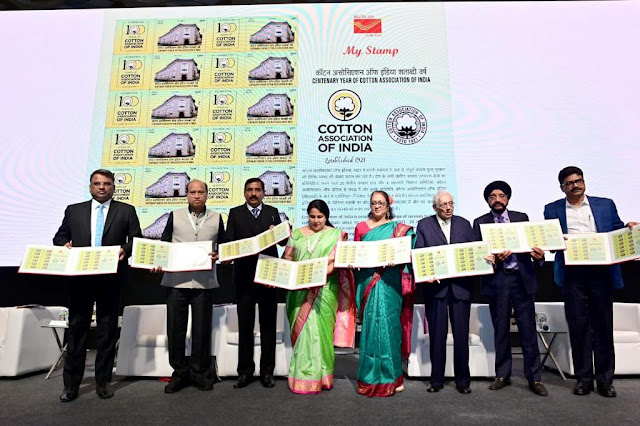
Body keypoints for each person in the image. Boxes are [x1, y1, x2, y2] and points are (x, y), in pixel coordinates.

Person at [544, 166, 638, 397]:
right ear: (562, 187)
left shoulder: (605, 204)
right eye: (569, 183)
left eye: (578, 181)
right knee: (579, 328)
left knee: (603, 328)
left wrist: (628, 229)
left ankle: (605, 381)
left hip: (601, 273)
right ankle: (584, 379)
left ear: (584, 182)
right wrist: (553, 243)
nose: (575, 185)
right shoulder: (552, 209)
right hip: (572, 275)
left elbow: (616, 229)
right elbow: (551, 241)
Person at [53, 169, 141, 402]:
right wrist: (65, 245)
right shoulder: (74, 210)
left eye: (107, 183)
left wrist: (125, 250)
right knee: (77, 330)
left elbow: (136, 239)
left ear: (113, 187)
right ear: (90, 186)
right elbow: (59, 237)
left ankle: (103, 382)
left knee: (107, 331)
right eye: (97, 183)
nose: (102, 187)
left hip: (111, 278)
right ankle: (71, 385)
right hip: (80, 278)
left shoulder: (127, 210)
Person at [472, 181, 548, 396]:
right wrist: (493, 259)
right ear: (487, 200)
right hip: (498, 280)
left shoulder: (521, 218)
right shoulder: (480, 222)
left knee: (528, 330)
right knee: (501, 330)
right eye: (493, 196)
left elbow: (533, 246)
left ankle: (534, 378)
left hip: (522, 279)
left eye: (502, 196)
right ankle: (502, 375)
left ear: (507, 198)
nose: (497, 200)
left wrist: (539, 256)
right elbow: (477, 254)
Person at [152, 180, 226, 393]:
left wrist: (219, 253)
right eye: (192, 192)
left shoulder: (217, 217)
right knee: (176, 329)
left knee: (202, 330)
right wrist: (158, 261)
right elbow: (165, 242)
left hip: (204, 282)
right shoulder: (174, 215)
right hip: (176, 281)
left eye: (200, 192)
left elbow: (223, 244)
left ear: (207, 194)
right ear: (186, 194)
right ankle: (179, 373)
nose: (197, 195)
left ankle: (200, 373)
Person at [283, 200, 356, 394]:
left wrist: (317, 276)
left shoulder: (336, 235)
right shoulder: (296, 234)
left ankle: (323, 376)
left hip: (324, 289)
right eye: (312, 216)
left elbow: (338, 262)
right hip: (298, 290)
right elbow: (287, 258)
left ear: (326, 217)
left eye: (320, 217)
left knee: (321, 333)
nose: (316, 221)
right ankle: (301, 377)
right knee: (303, 335)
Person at [353, 190, 415, 397]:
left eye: (381, 203)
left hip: (390, 282)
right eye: (373, 203)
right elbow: (356, 254)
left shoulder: (399, 230)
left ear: (388, 205)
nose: (377, 206)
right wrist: (354, 263)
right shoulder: (361, 227)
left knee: (390, 327)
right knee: (371, 328)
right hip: (369, 281)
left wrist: (399, 258)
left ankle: (393, 377)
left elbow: (408, 256)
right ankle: (369, 377)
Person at [225, 178, 283, 388]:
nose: (254, 193)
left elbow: (284, 241)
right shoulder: (235, 213)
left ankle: (267, 373)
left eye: (258, 190)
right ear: (244, 192)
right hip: (244, 278)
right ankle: (245, 372)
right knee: (245, 326)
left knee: (268, 326)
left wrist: (278, 231)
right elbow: (228, 241)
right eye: (250, 190)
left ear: (263, 193)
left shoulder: (273, 212)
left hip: (268, 277)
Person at [415, 190, 474, 394]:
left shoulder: (464, 224)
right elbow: (420, 253)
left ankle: (463, 382)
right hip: (436, 289)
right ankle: (436, 381)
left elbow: (473, 251)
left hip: (460, 288)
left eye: (451, 204)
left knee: (461, 336)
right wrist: (426, 273)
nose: (448, 208)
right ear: (435, 208)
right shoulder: (424, 225)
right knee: (437, 336)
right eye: (443, 205)